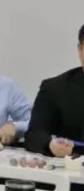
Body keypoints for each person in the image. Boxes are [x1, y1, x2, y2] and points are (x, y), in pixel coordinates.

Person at [24, 24, 84, 157]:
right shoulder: (54, 88)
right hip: (70, 165)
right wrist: (50, 144)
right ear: (80, 49)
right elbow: (34, 135)